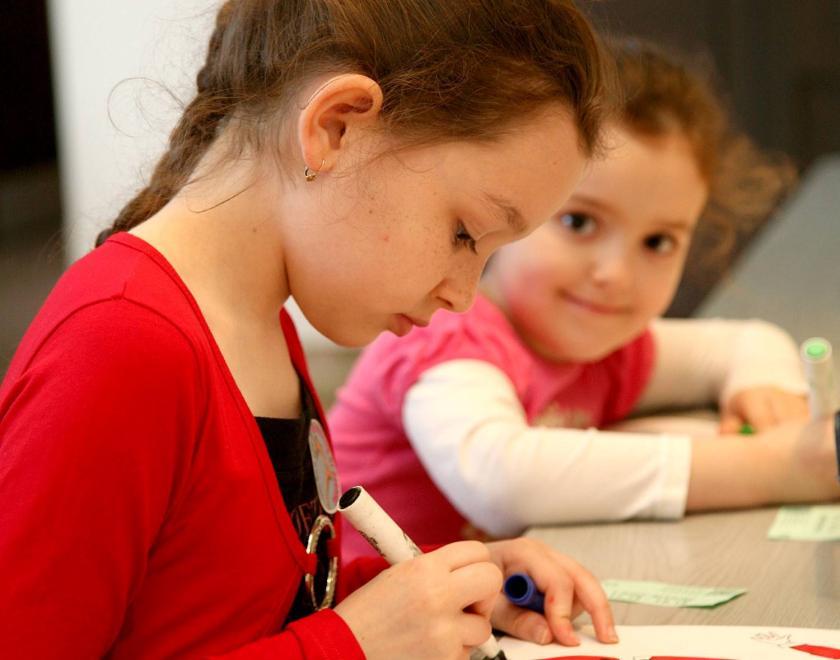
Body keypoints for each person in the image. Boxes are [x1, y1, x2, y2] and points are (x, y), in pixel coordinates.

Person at [0, 1, 622, 657]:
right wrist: (351, 645)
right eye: (464, 233)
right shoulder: (122, 345)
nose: (464, 296)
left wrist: (442, 590)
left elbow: (249, 611)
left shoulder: (260, 328)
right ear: (336, 128)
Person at [330, 38, 840, 563]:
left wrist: (765, 391)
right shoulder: (445, 334)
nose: (615, 274)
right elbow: (504, 481)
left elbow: (744, 343)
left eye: (658, 242)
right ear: (509, 211)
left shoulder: (604, 344)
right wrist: (776, 468)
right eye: (579, 222)